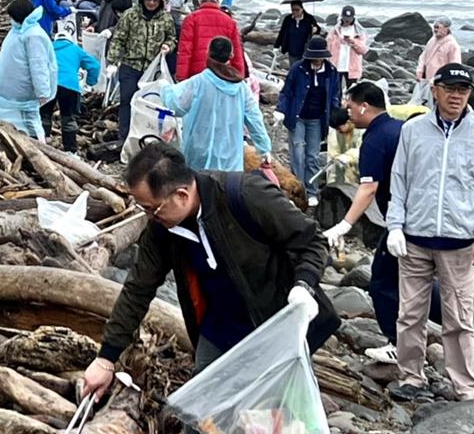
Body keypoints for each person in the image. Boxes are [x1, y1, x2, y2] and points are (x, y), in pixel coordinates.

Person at [81, 142, 339, 399]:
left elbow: (313, 241)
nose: (149, 217)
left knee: (275, 413)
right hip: (218, 328)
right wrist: (107, 358)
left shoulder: (245, 195)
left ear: (181, 195)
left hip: (274, 325)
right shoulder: (162, 230)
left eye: (152, 208)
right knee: (201, 410)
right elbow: (138, 289)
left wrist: (304, 286)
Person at [385, 64, 474, 402]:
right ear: (434, 89)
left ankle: (464, 386)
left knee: (459, 319)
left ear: (470, 94)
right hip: (414, 239)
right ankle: (411, 376)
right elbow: (400, 180)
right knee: (409, 314)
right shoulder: (413, 130)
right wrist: (395, 226)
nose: (456, 96)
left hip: (461, 243)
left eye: (463, 90)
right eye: (450, 88)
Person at [322, 82, 441, 366]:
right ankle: (456, 320)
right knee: (417, 278)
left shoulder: (375, 140)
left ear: (364, 105)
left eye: (350, 106)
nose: (348, 113)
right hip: (425, 213)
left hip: (404, 221)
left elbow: (368, 188)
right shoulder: (399, 129)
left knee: (382, 282)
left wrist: (344, 225)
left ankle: (397, 344)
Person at [162, 37, 271, 172]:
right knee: (226, 189)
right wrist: (264, 149)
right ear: (231, 55)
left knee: (199, 188)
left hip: (199, 151)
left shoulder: (198, 83)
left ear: (208, 53)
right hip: (230, 155)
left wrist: (164, 88)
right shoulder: (241, 87)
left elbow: (176, 105)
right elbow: (254, 118)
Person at [0, 0, 58, 139]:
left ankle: (35, 150)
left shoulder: (34, 35)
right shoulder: (19, 30)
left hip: (23, 93)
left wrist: (42, 92)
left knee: (28, 125)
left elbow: (38, 65)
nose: (10, 20)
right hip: (7, 89)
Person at [277, 36, 341, 206]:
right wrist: (281, 110)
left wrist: (336, 118)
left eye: (319, 56)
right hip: (297, 117)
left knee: (312, 156)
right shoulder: (298, 69)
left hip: (317, 119)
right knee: (297, 153)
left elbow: (335, 96)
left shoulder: (331, 72)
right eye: (313, 56)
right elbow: (287, 92)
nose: (316, 59)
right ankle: (298, 190)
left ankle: (312, 190)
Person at [107, 0, 176, 140]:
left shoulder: (166, 19)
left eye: (155, 0)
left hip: (153, 69)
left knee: (150, 104)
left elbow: (172, 38)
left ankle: (146, 137)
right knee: (127, 101)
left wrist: (168, 46)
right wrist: (112, 61)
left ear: (160, 2)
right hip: (131, 65)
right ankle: (124, 138)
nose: (151, 3)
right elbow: (118, 38)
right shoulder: (130, 15)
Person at [41, 16, 101, 153]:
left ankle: (42, 143)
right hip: (70, 87)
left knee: (44, 115)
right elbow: (95, 66)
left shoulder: (48, 47)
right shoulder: (76, 49)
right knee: (68, 118)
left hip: (49, 84)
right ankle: (71, 150)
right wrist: (90, 82)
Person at [176, 0, 246, 82]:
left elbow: (185, 51)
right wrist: (239, 76)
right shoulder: (230, 21)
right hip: (222, 74)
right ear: (217, 2)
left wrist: (181, 77)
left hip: (196, 76)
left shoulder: (190, 19)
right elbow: (237, 53)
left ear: (200, 1)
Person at [414, 18, 461, 107]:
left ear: (446, 28)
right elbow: (423, 57)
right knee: (423, 103)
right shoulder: (431, 41)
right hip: (426, 79)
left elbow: (455, 66)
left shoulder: (453, 45)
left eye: (438, 27)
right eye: (434, 27)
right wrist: (419, 71)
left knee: (437, 104)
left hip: (441, 82)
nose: (435, 30)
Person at [327, 5, 369, 92]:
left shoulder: (359, 31)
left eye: (349, 19)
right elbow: (328, 45)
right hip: (336, 65)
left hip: (352, 67)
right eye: (345, 18)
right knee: (335, 90)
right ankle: (336, 105)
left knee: (352, 91)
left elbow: (363, 50)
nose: (347, 21)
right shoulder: (335, 30)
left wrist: (353, 42)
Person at [274, 1, 320, 65]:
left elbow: (318, 29)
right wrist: (276, 46)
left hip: (305, 49)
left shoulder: (309, 18)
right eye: (293, 10)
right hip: (292, 49)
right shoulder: (288, 19)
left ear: (302, 9)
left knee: (304, 69)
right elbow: (282, 32)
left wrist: (315, 29)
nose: (295, 12)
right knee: (294, 68)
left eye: (297, 10)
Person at [326, 107, 361, 186]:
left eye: (339, 128)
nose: (338, 131)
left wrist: (349, 156)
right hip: (347, 174)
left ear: (348, 122)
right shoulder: (335, 133)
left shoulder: (361, 129)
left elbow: (364, 152)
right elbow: (332, 158)